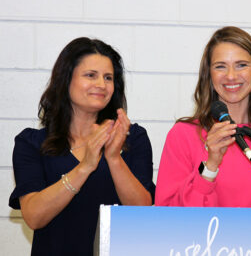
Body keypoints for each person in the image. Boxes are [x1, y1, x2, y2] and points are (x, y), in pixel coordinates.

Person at [9, 37, 155, 255]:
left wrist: (114, 158)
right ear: (66, 80)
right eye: (90, 75)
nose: (101, 85)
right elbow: (35, 216)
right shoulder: (31, 143)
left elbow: (142, 211)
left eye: (108, 78)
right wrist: (85, 166)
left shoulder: (133, 138)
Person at [155, 26, 251, 208]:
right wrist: (210, 165)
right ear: (209, 75)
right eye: (220, 66)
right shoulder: (183, 136)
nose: (231, 76)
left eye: (241, 65)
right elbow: (168, 219)